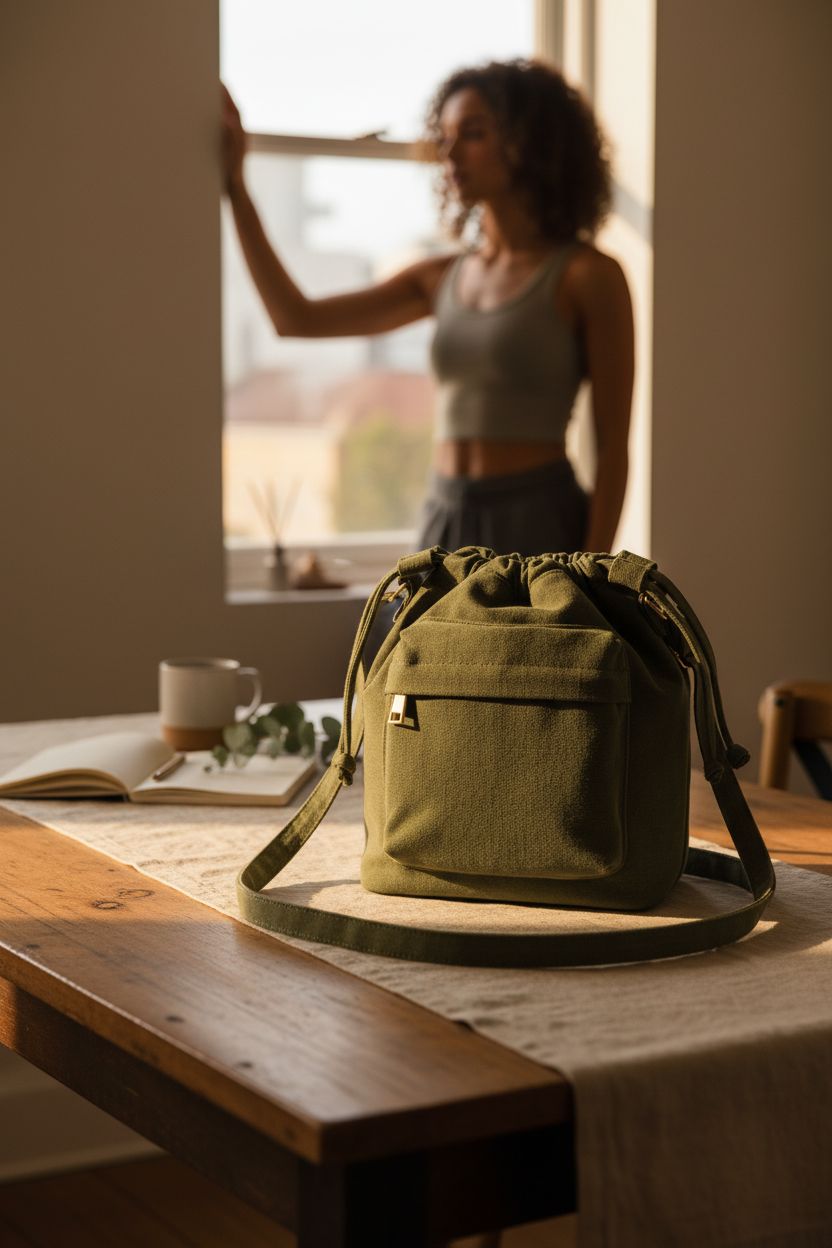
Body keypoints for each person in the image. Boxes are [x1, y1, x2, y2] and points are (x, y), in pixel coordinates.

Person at [221, 59, 633, 559]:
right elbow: (295, 319)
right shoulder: (439, 277)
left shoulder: (588, 276)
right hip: (445, 515)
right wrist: (236, 188)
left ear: (530, 144)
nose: (450, 153)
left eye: (473, 134)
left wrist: (593, 573)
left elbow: (613, 448)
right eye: (445, 137)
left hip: (538, 517)